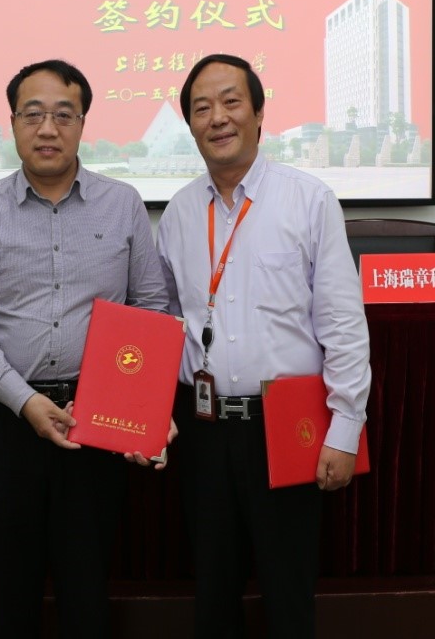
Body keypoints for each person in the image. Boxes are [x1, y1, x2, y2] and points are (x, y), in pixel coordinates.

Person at [0, 59, 168, 638]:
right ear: (13, 123)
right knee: (11, 592)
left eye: (64, 115)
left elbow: (151, 309)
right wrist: (23, 400)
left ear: (83, 123)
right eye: (32, 114)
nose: (47, 129)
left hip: (99, 423)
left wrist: (144, 407)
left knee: (87, 590)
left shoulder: (122, 203)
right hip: (7, 421)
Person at [156, 53, 371, 639]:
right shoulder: (178, 214)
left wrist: (345, 428)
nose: (217, 118)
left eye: (231, 102)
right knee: (213, 594)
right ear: (190, 124)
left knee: (288, 595)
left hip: (287, 426)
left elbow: (342, 322)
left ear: (258, 113)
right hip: (202, 429)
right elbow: (167, 322)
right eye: (202, 108)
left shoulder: (309, 199)